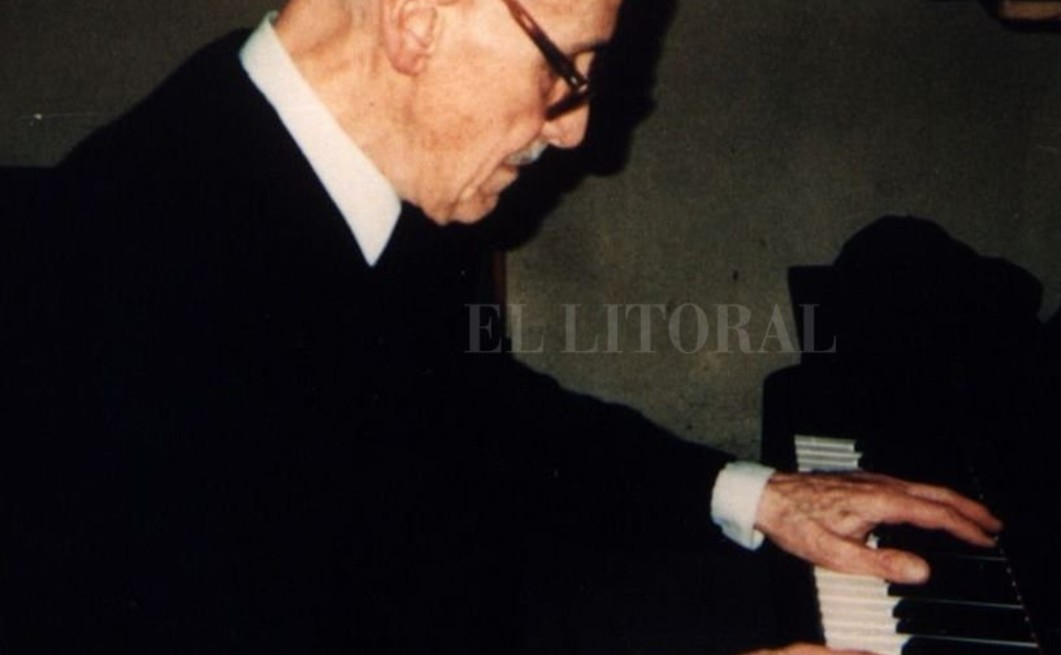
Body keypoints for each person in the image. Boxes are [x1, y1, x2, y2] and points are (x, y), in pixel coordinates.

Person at [0, 0, 1001, 652]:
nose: (576, 126)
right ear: (417, 21)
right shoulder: (140, 273)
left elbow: (471, 413)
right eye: (567, 65)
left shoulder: (330, 160)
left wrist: (756, 491)